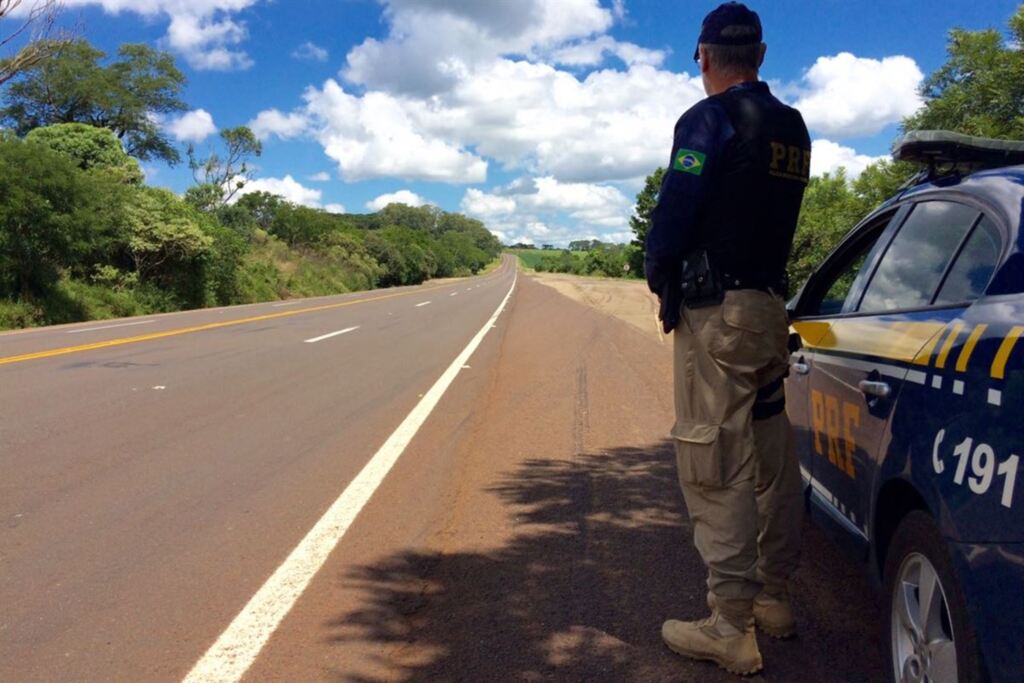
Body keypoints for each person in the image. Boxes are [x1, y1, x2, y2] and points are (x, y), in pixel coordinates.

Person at [644, 2, 811, 676]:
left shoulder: (705, 120)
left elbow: (674, 212)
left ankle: (730, 625)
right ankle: (774, 596)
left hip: (717, 313)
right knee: (772, 456)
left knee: (715, 460)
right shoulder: (792, 126)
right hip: (769, 309)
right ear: (761, 56)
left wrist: (661, 280)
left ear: (704, 57)